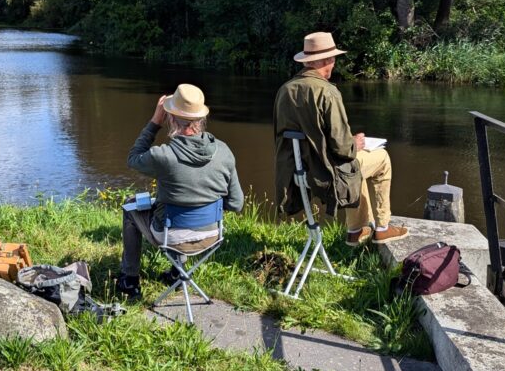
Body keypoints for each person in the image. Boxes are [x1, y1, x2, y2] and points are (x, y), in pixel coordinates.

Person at [273, 31, 406, 245]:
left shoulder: (284, 90)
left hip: (296, 174)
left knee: (357, 163)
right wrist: (356, 143)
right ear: (327, 60)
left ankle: (356, 231)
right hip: (325, 174)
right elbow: (343, 149)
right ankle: (382, 227)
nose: (334, 63)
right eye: (333, 59)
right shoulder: (328, 92)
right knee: (381, 158)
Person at [117, 83, 244, 301]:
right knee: (178, 209)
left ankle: (130, 280)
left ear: (171, 118)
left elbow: (133, 158)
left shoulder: (163, 156)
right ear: (201, 118)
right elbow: (236, 203)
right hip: (211, 235)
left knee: (131, 207)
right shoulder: (224, 151)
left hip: (171, 236)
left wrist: (154, 123)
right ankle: (177, 272)